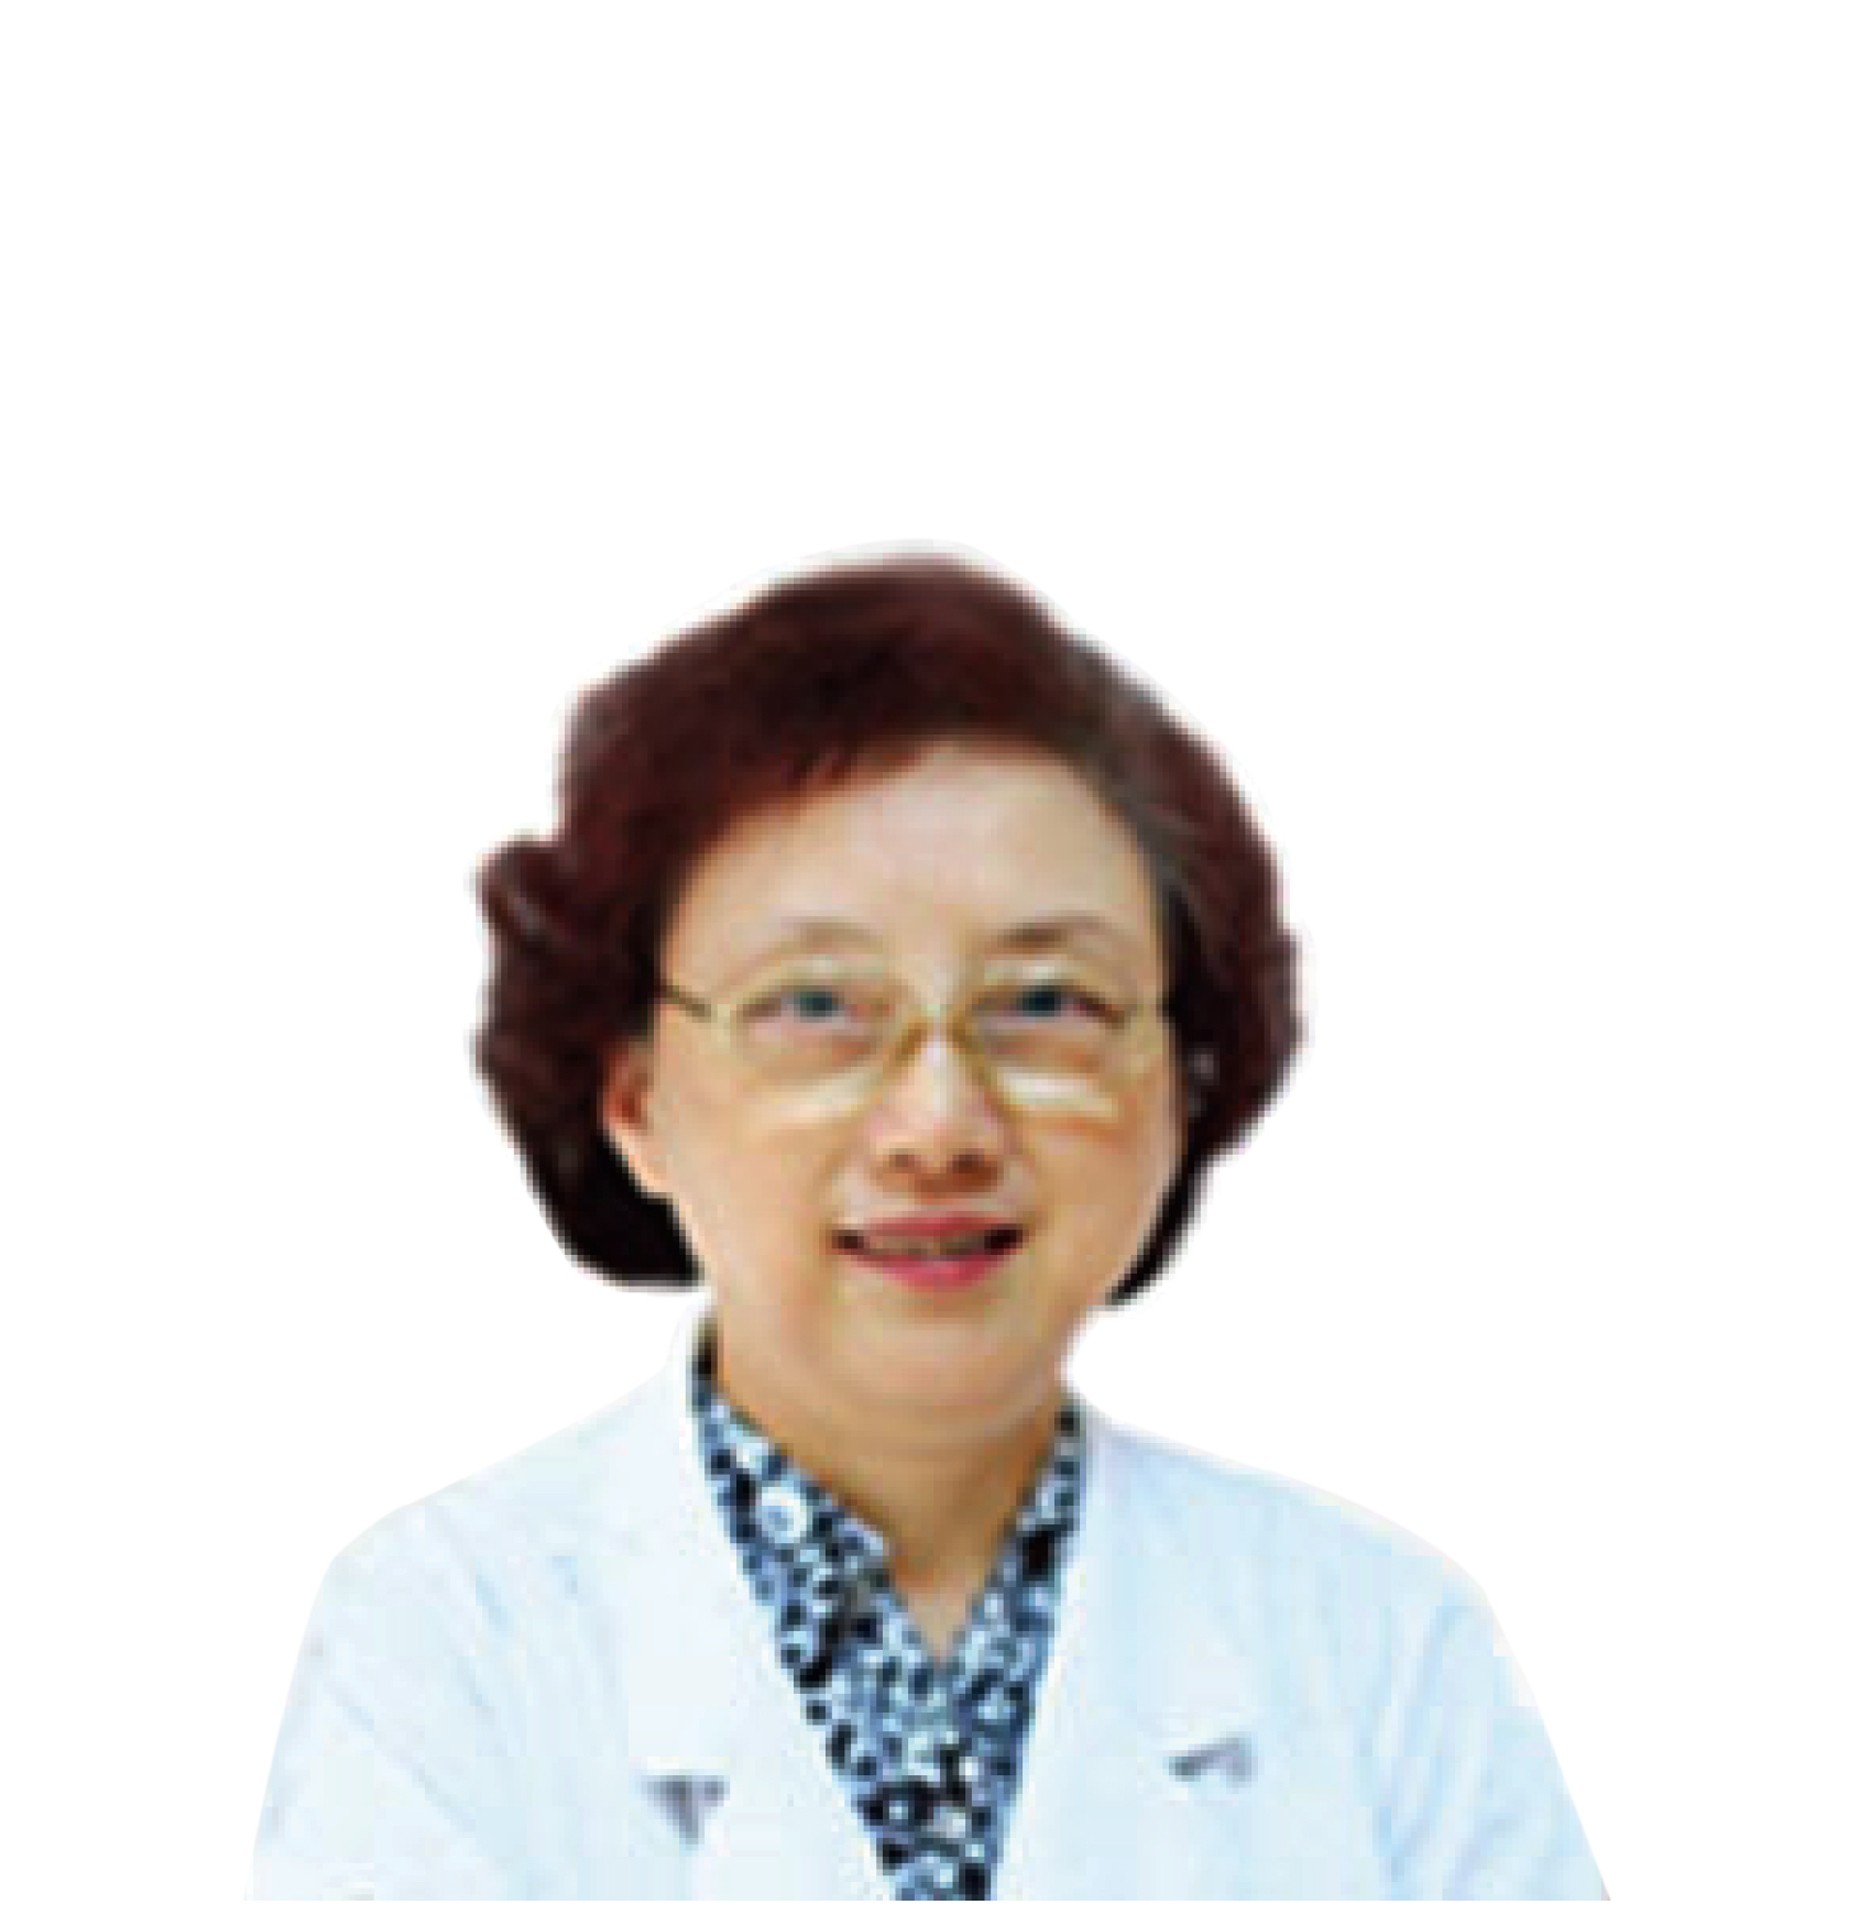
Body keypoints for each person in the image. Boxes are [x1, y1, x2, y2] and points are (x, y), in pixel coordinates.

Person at [248, 550, 1606, 1899]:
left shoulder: (1377, 1650)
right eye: (814, 1007)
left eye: (1047, 1004)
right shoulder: (446, 1642)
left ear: (1182, 1086)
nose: (938, 1127)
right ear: (635, 1100)